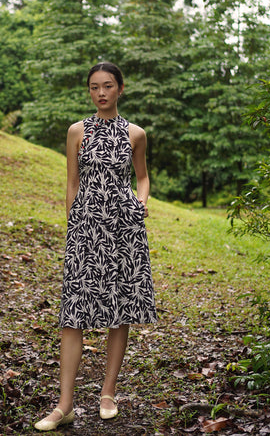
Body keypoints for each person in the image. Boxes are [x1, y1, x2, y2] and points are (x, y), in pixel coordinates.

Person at [34, 62, 157, 431]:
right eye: (93, 87)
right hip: (85, 230)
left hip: (124, 229)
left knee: (119, 311)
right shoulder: (77, 131)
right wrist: (74, 227)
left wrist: (142, 201)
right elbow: (71, 183)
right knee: (73, 316)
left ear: (120, 88)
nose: (100, 93)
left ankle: (108, 393)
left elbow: (143, 177)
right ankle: (64, 406)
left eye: (107, 86)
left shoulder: (136, 133)